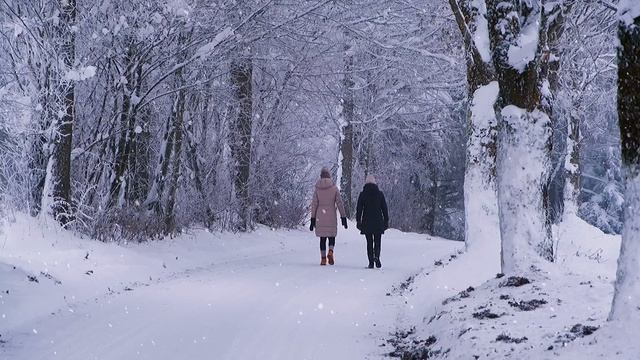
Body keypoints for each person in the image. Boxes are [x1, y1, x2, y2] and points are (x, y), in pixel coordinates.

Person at [309, 167, 348, 266]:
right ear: (329, 176)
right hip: (331, 215)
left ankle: (323, 259)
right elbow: (339, 203)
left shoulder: (317, 189)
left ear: (321, 176)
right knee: (331, 236)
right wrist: (343, 217)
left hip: (320, 215)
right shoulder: (334, 188)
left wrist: (312, 219)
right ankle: (330, 251)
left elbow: (314, 204)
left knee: (322, 238)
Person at [356, 174, 389, 269]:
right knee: (377, 241)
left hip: (367, 222)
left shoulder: (363, 194)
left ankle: (371, 262)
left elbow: (359, 209)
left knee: (369, 242)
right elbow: (384, 208)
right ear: (375, 183)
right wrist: (386, 220)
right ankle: (377, 257)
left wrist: (359, 221)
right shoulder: (380, 194)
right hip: (378, 221)